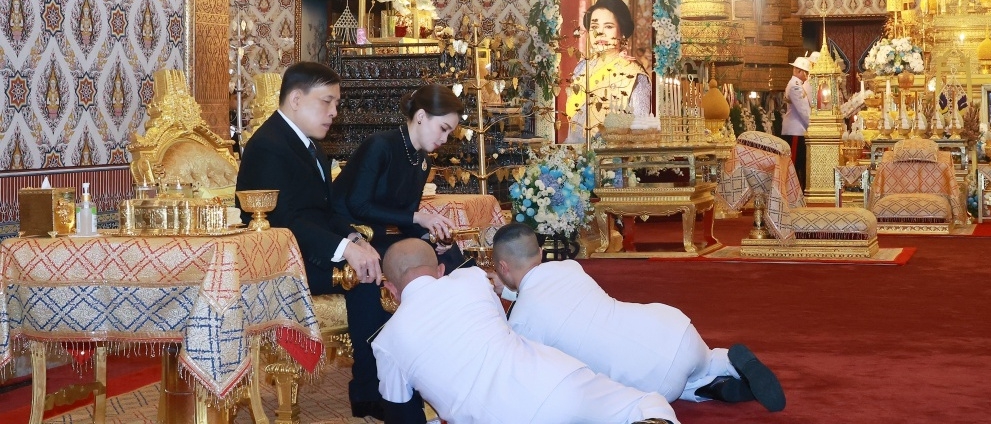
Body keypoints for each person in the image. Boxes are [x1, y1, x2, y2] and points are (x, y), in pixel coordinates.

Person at [235, 62, 406, 422]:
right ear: (296, 99)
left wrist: (354, 237)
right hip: (285, 262)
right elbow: (284, 221)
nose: (334, 112)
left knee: (398, 258)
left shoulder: (310, 146)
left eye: (337, 104)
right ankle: (370, 390)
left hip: (314, 249)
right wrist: (347, 251)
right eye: (327, 102)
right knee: (365, 278)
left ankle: (394, 383)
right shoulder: (268, 146)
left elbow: (324, 211)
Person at [373, 239, 680, 424]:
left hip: (494, 418)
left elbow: (401, 416)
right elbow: (503, 328)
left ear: (390, 289)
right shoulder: (470, 279)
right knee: (644, 403)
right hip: (556, 384)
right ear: (440, 271)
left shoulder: (386, 342)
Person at [490, 222, 785, 412]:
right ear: (540, 252)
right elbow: (551, 295)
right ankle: (728, 363)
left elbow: (535, 323)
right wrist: (513, 291)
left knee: (652, 388)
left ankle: (711, 386)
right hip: (675, 330)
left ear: (503, 267)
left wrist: (505, 296)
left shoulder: (521, 323)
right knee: (699, 359)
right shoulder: (569, 269)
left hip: (655, 380)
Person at [333, 84, 463, 251]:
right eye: (443, 129)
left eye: (449, 133)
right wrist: (418, 217)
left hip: (377, 236)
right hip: (345, 235)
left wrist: (432, 238)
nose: (445, 139)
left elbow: (406, 219)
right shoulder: (379, 145)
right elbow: (359, 205)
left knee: (449, 253)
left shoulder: (423, 161)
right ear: (421, 116)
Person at [565, 0, 652, 143]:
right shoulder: (581, 68)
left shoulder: (635, 75)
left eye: (609, 26)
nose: (600, 33)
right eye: (594, 27)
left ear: (622, 32)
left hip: (612, 159)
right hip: (572, 156)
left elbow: (640, 133)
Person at [781, 56, 811, 190]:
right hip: (796, 131)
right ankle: (792, 191)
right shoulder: (795, 86)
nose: (807, 76)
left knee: (799, 163)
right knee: (794, 164)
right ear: (800, 71)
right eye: (807, 72)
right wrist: (814, 126)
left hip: (798, 130)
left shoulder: (797, 84)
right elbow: (803, 110)